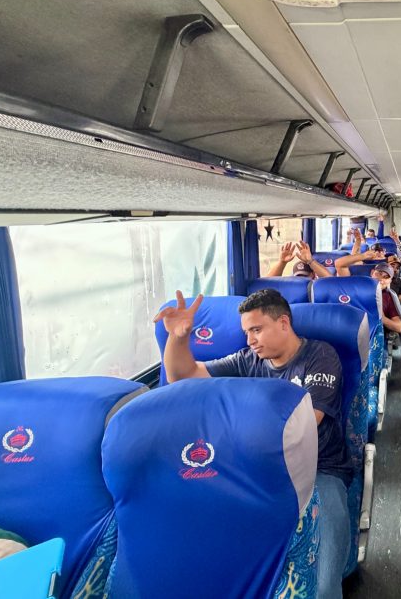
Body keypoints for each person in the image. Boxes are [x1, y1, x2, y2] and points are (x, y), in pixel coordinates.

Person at [154, 289, 352, 599]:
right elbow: (184, 375)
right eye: (247, 332)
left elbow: (307, 422)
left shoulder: (320, 356)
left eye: (256, 330)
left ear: (283, 323)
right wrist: (179, 338)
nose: (249, 340)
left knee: (324, 585)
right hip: (258, 471)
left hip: (321, 470)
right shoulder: (248, 360)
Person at [264, 241, 331, 279]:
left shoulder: (317, 288)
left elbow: (331, 281)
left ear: (313, 275)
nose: (301, 280)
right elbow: (267, 283)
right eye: (298, 277)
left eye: (305, 276)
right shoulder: (292, 289)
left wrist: (310, 261)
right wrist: (282, 263)